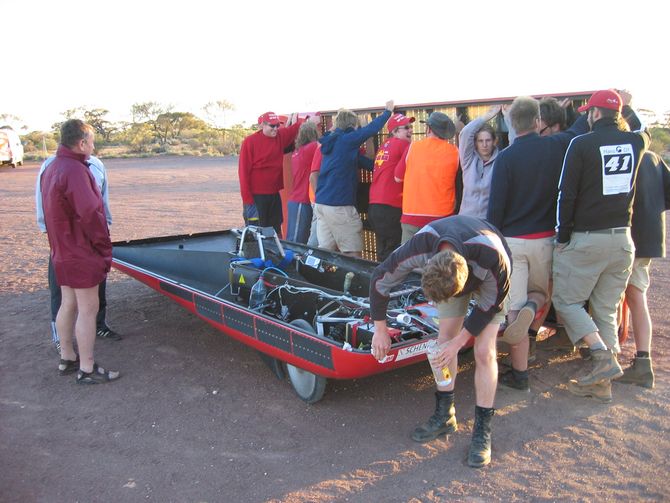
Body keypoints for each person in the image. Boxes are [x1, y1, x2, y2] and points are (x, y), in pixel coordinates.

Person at [370, 215, 511, 468]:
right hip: (452, 268)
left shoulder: (494, 259)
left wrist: (460, 342)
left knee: (484, 351)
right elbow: (380, 279)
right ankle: (445, 413)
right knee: (443, 339)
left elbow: (490, 306)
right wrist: (379, 329)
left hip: (487, 277)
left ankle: (482, 430)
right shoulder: (420, 247)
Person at [553, 89, 650, 401]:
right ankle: (602, 386)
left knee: (567, 302)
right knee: (606, 312)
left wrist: (563, 236)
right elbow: (643, 130)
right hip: (623, 240)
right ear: (619, 115)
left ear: (594, 114)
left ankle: (601, 356)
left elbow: (566, 195)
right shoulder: (636, 143)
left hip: (586, 238)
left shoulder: (580, 144)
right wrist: (627, 106)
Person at [487, 97, 588, 391]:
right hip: (545, 238)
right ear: (537, 121)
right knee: (542, 294)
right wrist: (574, 108)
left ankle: (520, 374)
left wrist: (497, 243)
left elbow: (496, 209)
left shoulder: (504, 157)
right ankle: (534, 306)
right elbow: (578, 128)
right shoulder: (554, 146)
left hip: (513, 241)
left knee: (514, 309)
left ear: (510, 124)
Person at [40, 119, 119, 384]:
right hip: (81, 250)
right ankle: (86, 368)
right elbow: (91, 213)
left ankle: (68, 357)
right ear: (82, 142)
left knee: (68, 304)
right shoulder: (75, 170)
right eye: (92, 141)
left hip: (62, 250)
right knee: (88, 309)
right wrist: (103, 248)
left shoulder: (50, 168)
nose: (94, 146)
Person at [615, 149, 669, 389]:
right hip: (650, 237)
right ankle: (642, 360)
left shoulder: (623, 154)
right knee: (637, 297)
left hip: (627, 237)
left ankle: (610, 357)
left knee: (617, 296)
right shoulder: (653, 158)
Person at [314, 101, 394, 257]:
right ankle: (354, 281)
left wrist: (383, 167)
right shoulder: (347, 140)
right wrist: (387, 112)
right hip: (339, 205)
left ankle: (320, 280)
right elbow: (370, 129)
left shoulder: (333, 143)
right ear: (351, 126)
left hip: (322, 204)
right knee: (352, 252)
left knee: (325, 251)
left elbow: (367, 164)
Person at [238, 112, 310, 237]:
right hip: (256, 197)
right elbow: (243, 172)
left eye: (277, 125)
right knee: (256, 232)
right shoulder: (250, 142)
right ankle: (256, 255)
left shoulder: (279, 136)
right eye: (272, 126)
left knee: (276, 228)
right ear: (262, 125)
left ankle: (278, 254)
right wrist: (247, 199)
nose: (276, 129)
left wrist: (306, 120)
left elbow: (292, 130)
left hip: (273, 194)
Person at [394, 112, 459, 243]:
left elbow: (397, 177)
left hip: (411, 217)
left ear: (428, 129)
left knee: (409, 261)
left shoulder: (413, 147)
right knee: (438, 262)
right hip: (442, 220)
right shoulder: (455, 152)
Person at [368, 113, 414, 261]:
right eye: (406, 128)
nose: (411, 131)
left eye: (411, 127)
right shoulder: (404, 145)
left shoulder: (384, 146)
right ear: (394, 132)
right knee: (395, 255)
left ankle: (379, 282)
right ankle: (388, 283)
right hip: (391, 207)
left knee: (383, 253)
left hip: (375, 207)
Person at [457, 105, 501, 218]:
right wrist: (486, 117)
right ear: (475, 143)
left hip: (488, 221)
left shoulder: (501, 161)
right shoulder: (468, 160)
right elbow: (465, 133)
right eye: (480, 141)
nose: (484, 145)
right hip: (466, 220)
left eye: (488, 140)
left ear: (494, 141)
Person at [286, 121, 320, 243]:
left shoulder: (298, 152)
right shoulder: (310, 149)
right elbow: (323, 143)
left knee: (297, 238)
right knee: (297, 241)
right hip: (302, 201)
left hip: (297, 200)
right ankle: (293, 262)